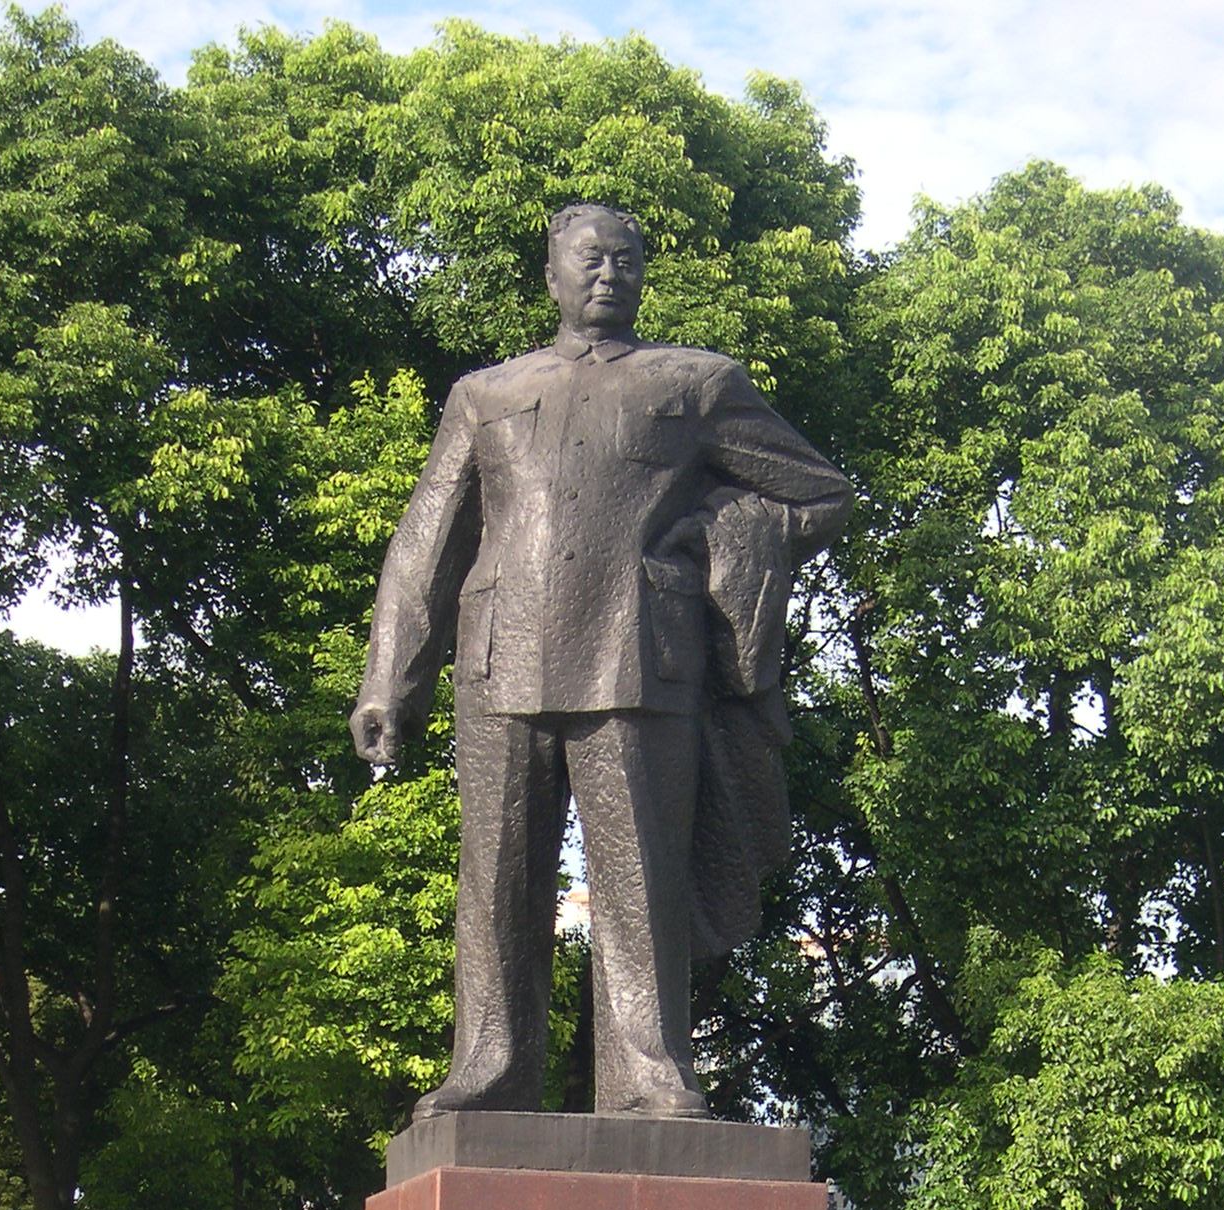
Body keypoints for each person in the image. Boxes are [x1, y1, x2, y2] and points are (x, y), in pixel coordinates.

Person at [350, 202, 851, 1120]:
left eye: (624, 260)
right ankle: (489, 1066)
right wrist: (390, 679)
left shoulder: (694, 384)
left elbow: (819, 495)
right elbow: (426, 543)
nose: (608, 274)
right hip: (502, 658)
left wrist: (718, 531)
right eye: (589, 260)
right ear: (551, 277)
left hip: (638, 656)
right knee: (496, 879)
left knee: (639, 877)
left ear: (643, 275)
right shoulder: (486, 394)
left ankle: (649, 1070)